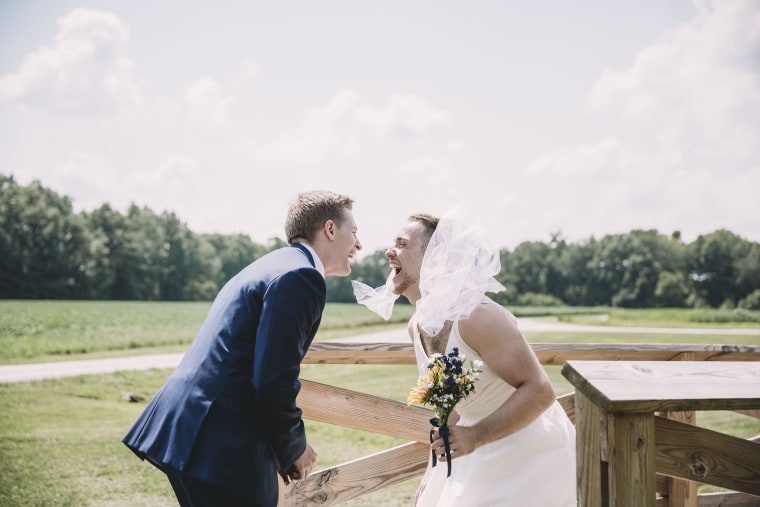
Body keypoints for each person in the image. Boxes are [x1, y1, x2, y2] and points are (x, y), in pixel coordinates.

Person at [123, 190, 362, 507]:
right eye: (354, 233)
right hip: (218, 440)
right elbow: (274, 378)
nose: (359, 245)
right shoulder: (302, 277)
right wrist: (294, 448)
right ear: (330, 230)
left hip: (193, 428)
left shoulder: (272, 264)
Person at [354, 209, 576, 506]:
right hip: (475, 453)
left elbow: (540, 390)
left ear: (437, 257)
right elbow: (453, 408)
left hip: (529, 456)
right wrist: (433, 470)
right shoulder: (416, 325)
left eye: (403, 244)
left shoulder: (477, 317)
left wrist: (474, 437)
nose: (389, 252)